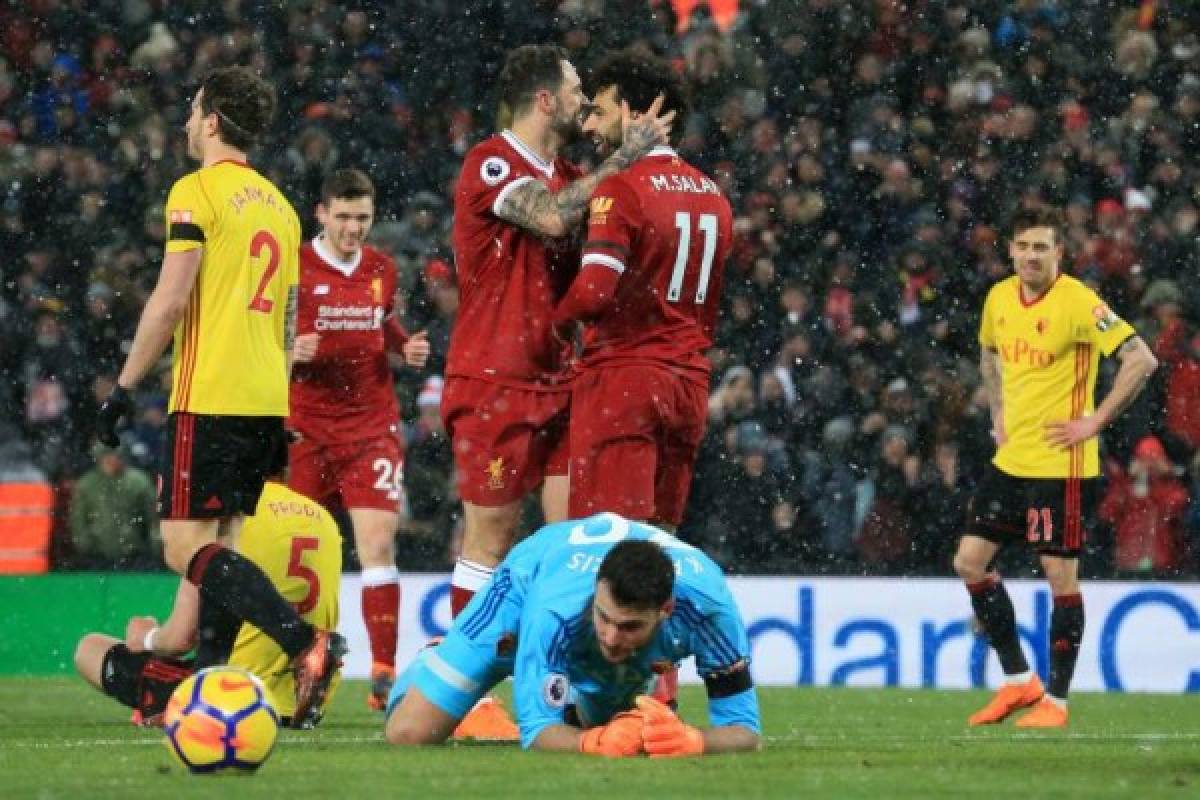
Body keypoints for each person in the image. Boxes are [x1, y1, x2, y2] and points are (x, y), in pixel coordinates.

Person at [93, 66, 345, 728]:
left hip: (211, 391)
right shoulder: (281, 208)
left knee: (184, 549)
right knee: (222, 552)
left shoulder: (195, 192)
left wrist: (123, 387)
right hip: (265, 399)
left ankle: (304, 643)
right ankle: (212, 690)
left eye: (192, 109)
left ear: (211, 122)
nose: (184, 121)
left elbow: (172, 299)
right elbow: (289, 318)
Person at [442, 43, 671, 733]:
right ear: (545, 99)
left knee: (576, 535)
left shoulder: (573, 170)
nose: (583, 102)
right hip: (495, 376)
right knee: (491, 538)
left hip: (561, 378)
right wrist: (627, 156)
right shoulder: (493, 161)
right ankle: (471, 693)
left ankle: (570, 684)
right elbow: (551, 216)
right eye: (576, 90)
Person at [954, 207, 1158, 728]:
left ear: (1059, 254)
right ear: (1011, 250)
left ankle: (1058, 703)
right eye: (1023, 246)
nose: (1031, 256)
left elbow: (1141, 358)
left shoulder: (1081, 303)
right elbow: (989, 356)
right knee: (970, 562)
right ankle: (1020, 681)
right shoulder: (999, 297)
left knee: (1058, 574)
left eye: (1042, 247)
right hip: (1012, 459)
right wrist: (997, 415)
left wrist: (1095, 420)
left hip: (1061, 464)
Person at [384, 513, 761, 757]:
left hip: (581, 627)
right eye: (605, 618)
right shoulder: (554, 608)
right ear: (595, 592)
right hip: (522, 592)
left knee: (618, 736)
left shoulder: (710, 610)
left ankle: (582, 692)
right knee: (409, 734)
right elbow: (538, 731)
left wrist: (694, 742)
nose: (612, 637)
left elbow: (745, 731)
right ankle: (439, 658)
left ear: (666, 611)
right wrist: (590, 743)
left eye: (630, 626)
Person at [554, 46, 733, 531]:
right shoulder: (713, 195)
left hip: (626, 381)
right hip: (689, 386)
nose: (589, 127)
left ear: (634, 114)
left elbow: (593, 293)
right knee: (658, 546)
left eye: (600, 112)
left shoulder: (621, 188)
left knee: (609, 545)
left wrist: (550, 322)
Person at [288, 167, 430, 711]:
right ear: (321, 213)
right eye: (344, 216)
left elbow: (382, 322)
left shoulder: (381, 268)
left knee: (377, 547)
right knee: (303, 552)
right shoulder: (295, 266)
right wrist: (288, 351)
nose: (353, 228)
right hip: (307, 429)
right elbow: (268, 330)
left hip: (370, 427)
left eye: (363, 218)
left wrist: (403, 347)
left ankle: (385, 672)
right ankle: (305, 657)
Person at [74, 480, 342, 728]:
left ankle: (186, 701)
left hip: (233, 695)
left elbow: (181, 639)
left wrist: (146, 637)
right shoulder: (323, 518)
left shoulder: (223, 518)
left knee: (89, 648)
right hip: (302, 696)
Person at [67, 441, 158, 570]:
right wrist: (84, 544)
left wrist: (154, 545)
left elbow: (153, 517)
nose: (111, 460)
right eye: (106, 457)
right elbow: (78, 519)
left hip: (134, 553)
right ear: (99, 459)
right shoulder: (87, 484)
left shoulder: (139, 482)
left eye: (116, 456)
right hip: (97, 554)